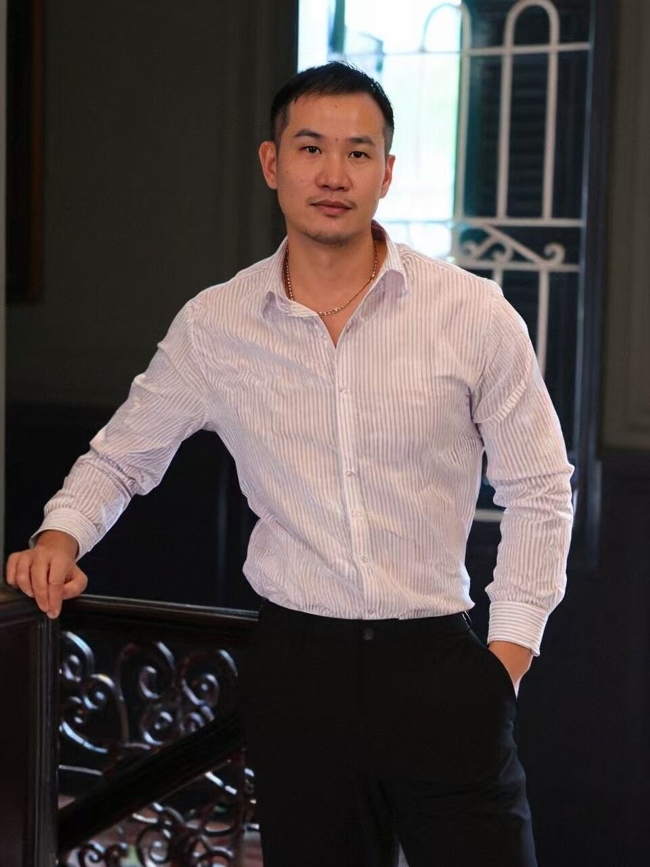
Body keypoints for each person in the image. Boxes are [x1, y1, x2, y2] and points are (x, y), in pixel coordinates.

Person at [5, 62, 573, 866]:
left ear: (386, 173)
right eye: (311, 148)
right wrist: (60, 535)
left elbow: (541, 489)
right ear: (272, 163)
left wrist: (506, 660)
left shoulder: (472, 313)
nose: (333, 174)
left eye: (357, 152)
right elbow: (122, 457)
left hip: (442, 668)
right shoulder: (216, 324)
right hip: (299, 672)